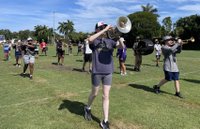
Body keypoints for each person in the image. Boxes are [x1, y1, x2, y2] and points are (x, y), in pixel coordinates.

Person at [84, 21, 125, 129]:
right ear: (97, 29)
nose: (104, 28)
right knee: (94, 93)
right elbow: (89, 40)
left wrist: (119, 36)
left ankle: (105, 120)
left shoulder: (110, 41)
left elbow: (122, 47)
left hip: (108, 71)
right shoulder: (95, 40)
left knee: (106, 95)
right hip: (97, 71)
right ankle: (87, 107)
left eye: (105, 26)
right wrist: (104, 30)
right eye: (101, 27)